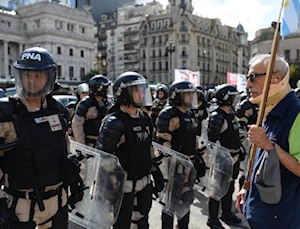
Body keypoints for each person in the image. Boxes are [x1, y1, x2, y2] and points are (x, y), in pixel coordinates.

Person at [0, 47, 83, 228]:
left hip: (58, 201)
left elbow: (64, 148)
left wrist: (74, 178)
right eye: (26, 74)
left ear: (49, 77)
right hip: (21, 206)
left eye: (37, 75)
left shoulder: (58, 110)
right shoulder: (6, 114)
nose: (31, 80)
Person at [236, 54, 300, 229]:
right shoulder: (269, 110)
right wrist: (246, 188)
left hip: (282, 221)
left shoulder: (297, 114)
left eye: (253, 77)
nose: (248, 84)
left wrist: (269, 145)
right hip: (262, 217)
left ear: (276, 78)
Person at [97, 71, 164, 229]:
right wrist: (111, 184)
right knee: (122, 223)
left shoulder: (145, 117)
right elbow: (104, 157)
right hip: (123, 183)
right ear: (124, 93)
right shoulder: (114, 122)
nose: (141, 94)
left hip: (145, 180)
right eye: (136, 90)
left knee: (143, 219)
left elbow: (149, 148)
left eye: (142, 89)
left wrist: (156, 172)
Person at [156, 81, 199, 229]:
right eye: (187, 94)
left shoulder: (190, 114)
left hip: (189, 165)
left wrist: (198, 157)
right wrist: (170, 167)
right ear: (177, 95)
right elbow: (163, 143)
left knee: (186, 200)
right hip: (174, 166)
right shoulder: (168, 114)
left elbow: (194, 138)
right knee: (170, 203)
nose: (190, 97)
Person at [206, 84, 242, 229]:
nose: (235, 100)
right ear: (226, 98)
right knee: (217, 189)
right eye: (233, 97)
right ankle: (212, 218)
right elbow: (212, 141)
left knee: (230, 186)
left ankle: (226, 212)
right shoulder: (217, 117)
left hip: (234, 157)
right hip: (222, 158)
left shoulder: (231, 114)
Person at [72, 75, 112, 146]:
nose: (107, 89)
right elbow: (77, 125)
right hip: (90, 144)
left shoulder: (106, 103)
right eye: (106, 87)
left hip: (105, 143)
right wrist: (82, 146)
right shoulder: (85, 104)